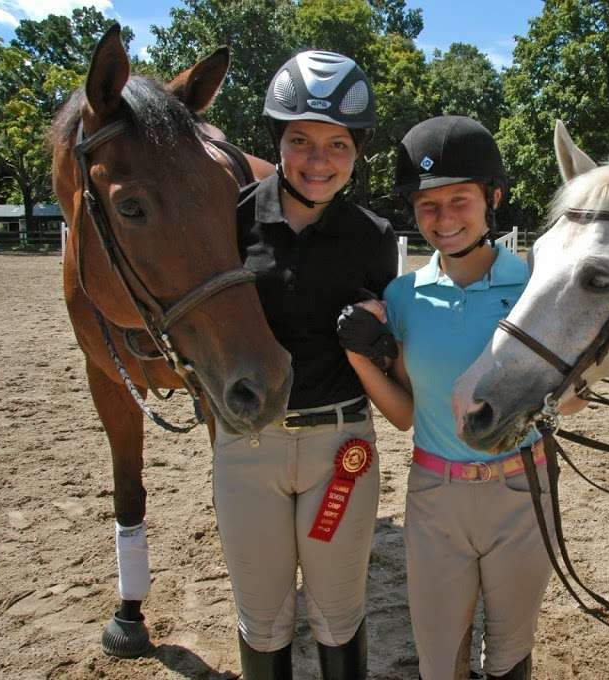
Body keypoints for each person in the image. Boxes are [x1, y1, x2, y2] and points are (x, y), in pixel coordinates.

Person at [338, 115, 583, 680]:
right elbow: (404, 416)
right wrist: (358, 357)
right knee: (438, 655)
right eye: (428, 205)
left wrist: (577, 384)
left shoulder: (534, 288)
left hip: (522, 491)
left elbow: (568, 404)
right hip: (435, 496)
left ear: (491, 197)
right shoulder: (403, 297)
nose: (443, 218)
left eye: (459, 200)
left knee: (509, 654)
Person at [213, 50, 397, 680]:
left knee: (337, 612)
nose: (319, 162)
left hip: (340, 448)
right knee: (262, 616)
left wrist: (375, 339)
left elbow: (391, 354)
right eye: (300, 141)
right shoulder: (231, 223)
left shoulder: (374, 237)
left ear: (357, 149)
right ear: (277, 141)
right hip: (247, 449)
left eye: (337, 144)